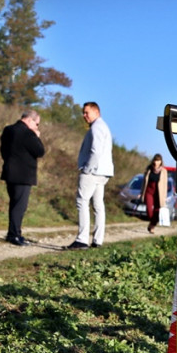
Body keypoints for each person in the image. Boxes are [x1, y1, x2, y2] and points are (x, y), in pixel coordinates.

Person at [67, 101, 114, 249]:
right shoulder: (102, 126)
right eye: (83, 112)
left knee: (82, 202)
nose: (84, 115)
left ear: (96, 112)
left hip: (93, 171)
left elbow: (96, 151)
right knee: (98, 205)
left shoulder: (97, 127)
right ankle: (97, 240)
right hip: (102, 172)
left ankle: (82, 239)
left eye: (87, 112)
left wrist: (87, 169)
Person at [0, 111, 45, 246]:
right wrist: (37, 137)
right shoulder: (28, 133)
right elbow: (40, 151)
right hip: (23, 175)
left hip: (9, 172)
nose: (37, 127)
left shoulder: (8, 130)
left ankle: (13, 232)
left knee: (14, 204)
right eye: (37, 124)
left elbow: (3, 150)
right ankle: (14, 235)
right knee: (20, 206)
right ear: (30, 120)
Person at [139, 154, 168, 234]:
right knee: (149, 211)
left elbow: (165, 184)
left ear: (161, 161)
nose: (156, 162)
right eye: (155, 160)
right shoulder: (149, 169)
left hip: (159, 193)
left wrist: (164, 196)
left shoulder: (164, 171)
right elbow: (144, 182)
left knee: (157, 211)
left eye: (158, 160)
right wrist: (141, 193)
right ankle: (152, 222)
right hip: (149, 191)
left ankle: (152, 226)